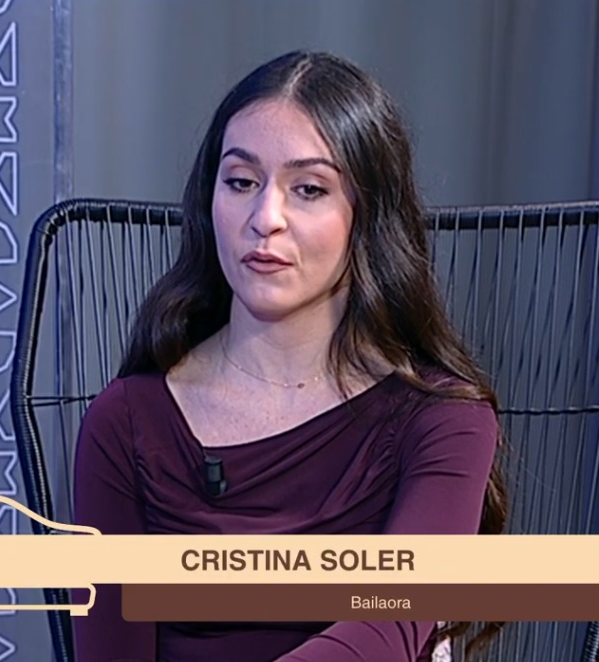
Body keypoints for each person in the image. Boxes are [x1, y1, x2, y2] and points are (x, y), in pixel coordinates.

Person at [72, 50, 508, 662]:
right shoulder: (127, 421)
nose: (265, 218)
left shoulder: (443, 419)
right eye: (241, 182)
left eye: (308, 189)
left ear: (366, 216)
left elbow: (389, 625)